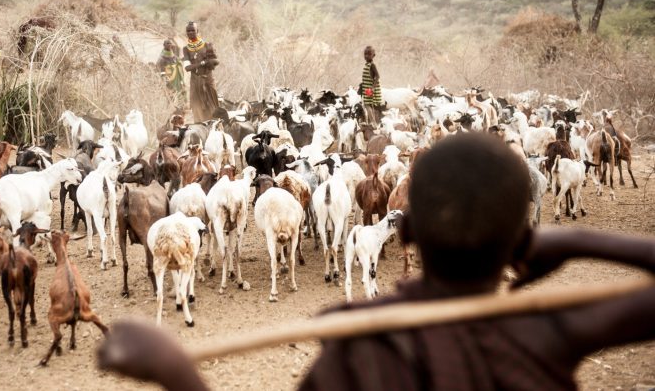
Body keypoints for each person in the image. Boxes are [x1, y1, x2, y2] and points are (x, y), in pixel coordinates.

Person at [97, 134, 655, 391]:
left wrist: (178, 374)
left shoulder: (359, 344)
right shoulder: (545, 335)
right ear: (520, 238)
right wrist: (578, 239)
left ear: (404, 229)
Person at [182, 21, 220, 122]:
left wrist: (209, 62)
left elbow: (216, 61)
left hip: (208, 79)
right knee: (197, 109)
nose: (190, 33)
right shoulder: (186, 49)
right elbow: (187, 68)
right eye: (188, 31)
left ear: (197, 31)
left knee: (213, 107)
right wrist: (203, 63)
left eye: (192, 30)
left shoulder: (207, 45)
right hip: (195, 82)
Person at [358, 46, 382, 126]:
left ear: (373, 55)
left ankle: (374, 123)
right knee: (368, 105)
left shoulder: (372, 65)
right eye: (365, 54)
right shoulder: (367, 65)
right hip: (366, 88)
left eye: (369, 54)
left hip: (370, 89)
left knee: (368, 105)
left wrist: (373, 88)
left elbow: (377, 76)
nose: (366, 56)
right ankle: (373, 122)